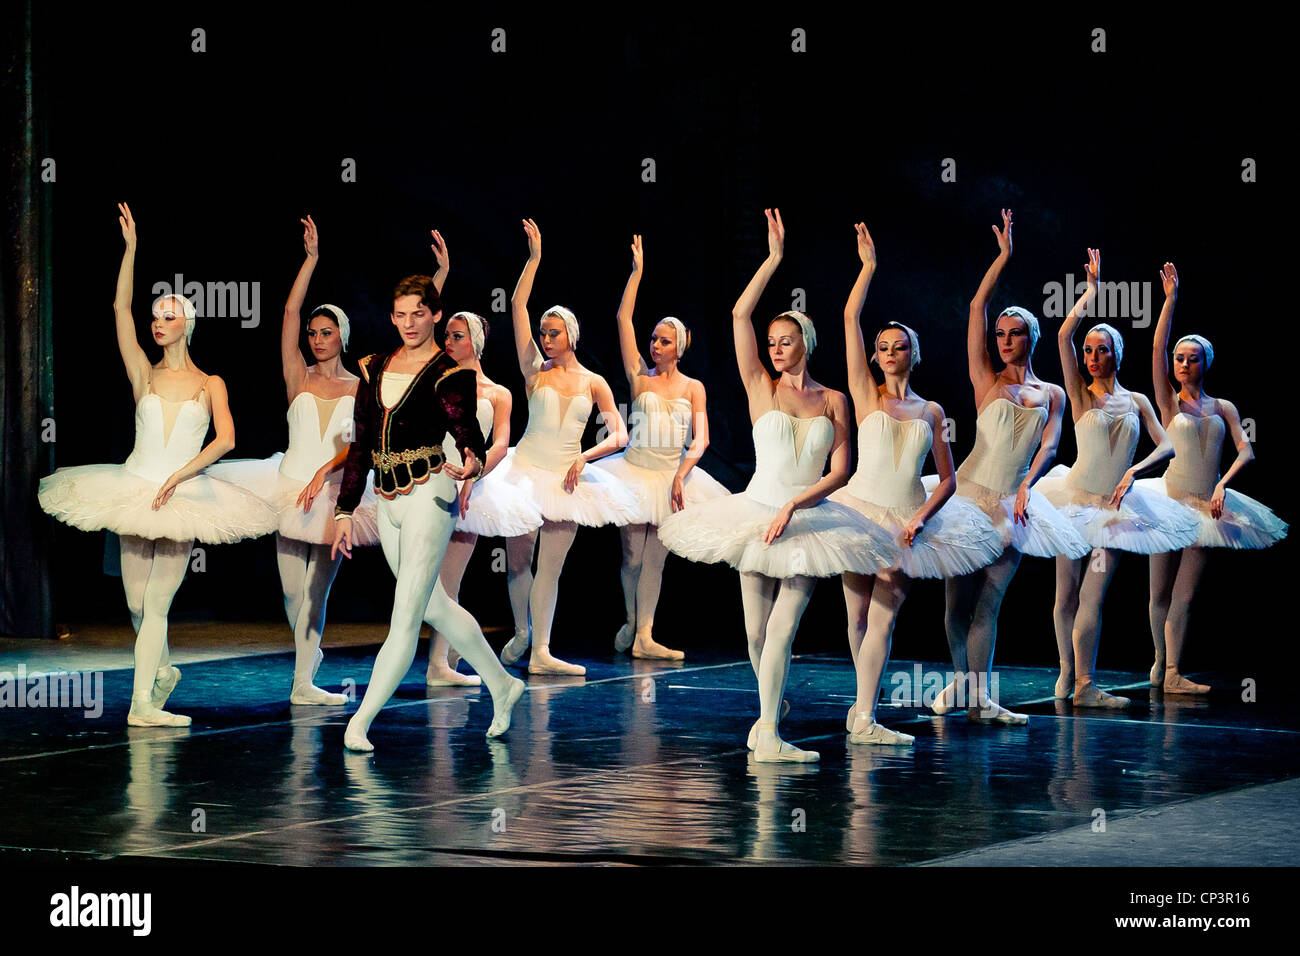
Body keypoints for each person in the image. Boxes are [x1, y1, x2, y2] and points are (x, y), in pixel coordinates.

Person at [659, 208, 900, 762]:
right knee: (755, 634)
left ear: (805, 343)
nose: (775, 348)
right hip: (754, 515)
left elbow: (840, 471)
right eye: (771, 341)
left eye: (786, 340)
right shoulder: (758, 387)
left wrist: (796, 504)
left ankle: (766, 731)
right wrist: (772, 259)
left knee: (784, 628)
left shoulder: (834, 400)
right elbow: (739, 312)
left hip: (807, 519)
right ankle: (769, 710)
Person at [38, 202, 277, 726]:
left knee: (159, 604)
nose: (158, 324)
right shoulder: (143, 375)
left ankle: (141, 705)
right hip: (132, 488)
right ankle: (162, 673)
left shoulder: (210, 382)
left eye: (169, 317)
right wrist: (131, 251)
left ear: (187, 325)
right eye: (157, 317)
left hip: (183, 495)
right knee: (136, 603)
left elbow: (227, 439)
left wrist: (179, 475)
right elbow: (120, 311)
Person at [332, 274, 525, 751]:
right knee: (434, 605)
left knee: (406, 615)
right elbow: (360, 442)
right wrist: (344, 510)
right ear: (391, 317)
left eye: (420, 313)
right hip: (389, 498)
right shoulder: (375, 365)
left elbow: (466, 431)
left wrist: (474, 460)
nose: (410, 323)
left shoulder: (448, 372)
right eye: (401, 314)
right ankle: (503, 685)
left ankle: (360, 721)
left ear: (436, 314)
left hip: (432, 494)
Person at [829, 222, 1002, 745]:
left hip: (907, 519)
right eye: (881, 346)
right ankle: (863, 712)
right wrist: (868, 269)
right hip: (858, 509)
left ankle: (866, 718)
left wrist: (919, 519)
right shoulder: (864, 393)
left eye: (897, 346)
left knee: (884, 617)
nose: (886, 352)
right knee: (856, 620)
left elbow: (947, 480)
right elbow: (848, 317)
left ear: (912, 353)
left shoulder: (931, 410)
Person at [930, 210, 1089, 726]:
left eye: (1014, 333)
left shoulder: (1053, 393)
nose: (1003, 339)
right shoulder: (986, 380)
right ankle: (964, 685)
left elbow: (1049, 447)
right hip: (967, 495)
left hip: (1012, 503)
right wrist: (1004, 257)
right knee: (956, 606)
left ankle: (979, 701)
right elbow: (976, 305)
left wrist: (1026, 485)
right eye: (1000, 333)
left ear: (1031, 339)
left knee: (988, 604)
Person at [1036, 249, 1199, 708]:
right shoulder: (1078, 395)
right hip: (1071, 501)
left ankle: (1086, 683)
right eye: (1088, 350)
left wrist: (1135, 469)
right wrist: (1090, 291)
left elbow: (1167, 444)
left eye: (1100, 349)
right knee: (1064, 592)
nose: (1091, 356)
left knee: (1093, 592)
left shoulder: (1137, 401)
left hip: (1112, 512)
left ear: (1117, 354)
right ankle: (1067, 674)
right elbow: (1063, 334)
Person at [491, 219, 640, 676]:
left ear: (571, 336)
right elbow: (516, 304)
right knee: (519, 561)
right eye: (543, 331)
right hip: (524, 471)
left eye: (554, 332)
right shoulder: (533, 369)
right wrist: (533, 260)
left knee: (550, 567)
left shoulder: (593, 382)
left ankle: (541, 653)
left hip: (567, 477)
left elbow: (620, 435)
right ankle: (521, 630)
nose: (546, 337)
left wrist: (585, 456)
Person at [1138, 262, 1287, 693]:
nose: (1183, 364)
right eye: (1180, 359)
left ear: (1206, 363)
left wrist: (1223, 483)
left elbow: (1247, 450)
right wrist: (1170, 300)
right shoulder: (1169, 402)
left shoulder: (1223, 407)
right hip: (1168, 499)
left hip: (1207, 504)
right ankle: (1159, 660)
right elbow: (1156, 351)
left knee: (1183, 596)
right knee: (1158, 593)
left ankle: (1172, 675)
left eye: (1192, 358)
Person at [597, 234, 728, 661]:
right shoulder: (640, 377)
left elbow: (702, 439)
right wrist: (636, 274)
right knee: (632, 556)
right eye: (653, 339)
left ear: (680, 347)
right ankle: (633, 621)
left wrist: (681, 475)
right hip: (634, 471)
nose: (655, 345)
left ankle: (645, 636)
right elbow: (622, 319)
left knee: (657, 559)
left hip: (674, 476)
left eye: (664, 341)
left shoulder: (694, 388)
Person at [424, 310, 544, 686]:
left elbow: (501, 443)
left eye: (457, 336)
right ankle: (450, 650)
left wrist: (472, 475)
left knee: (449, 579)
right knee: (424, 577)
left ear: (475, 342)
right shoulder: (435, 382)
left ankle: (439, 662)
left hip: (472, 487)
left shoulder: (498, 393)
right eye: (446, 335)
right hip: (432, 478)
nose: (448, 342)